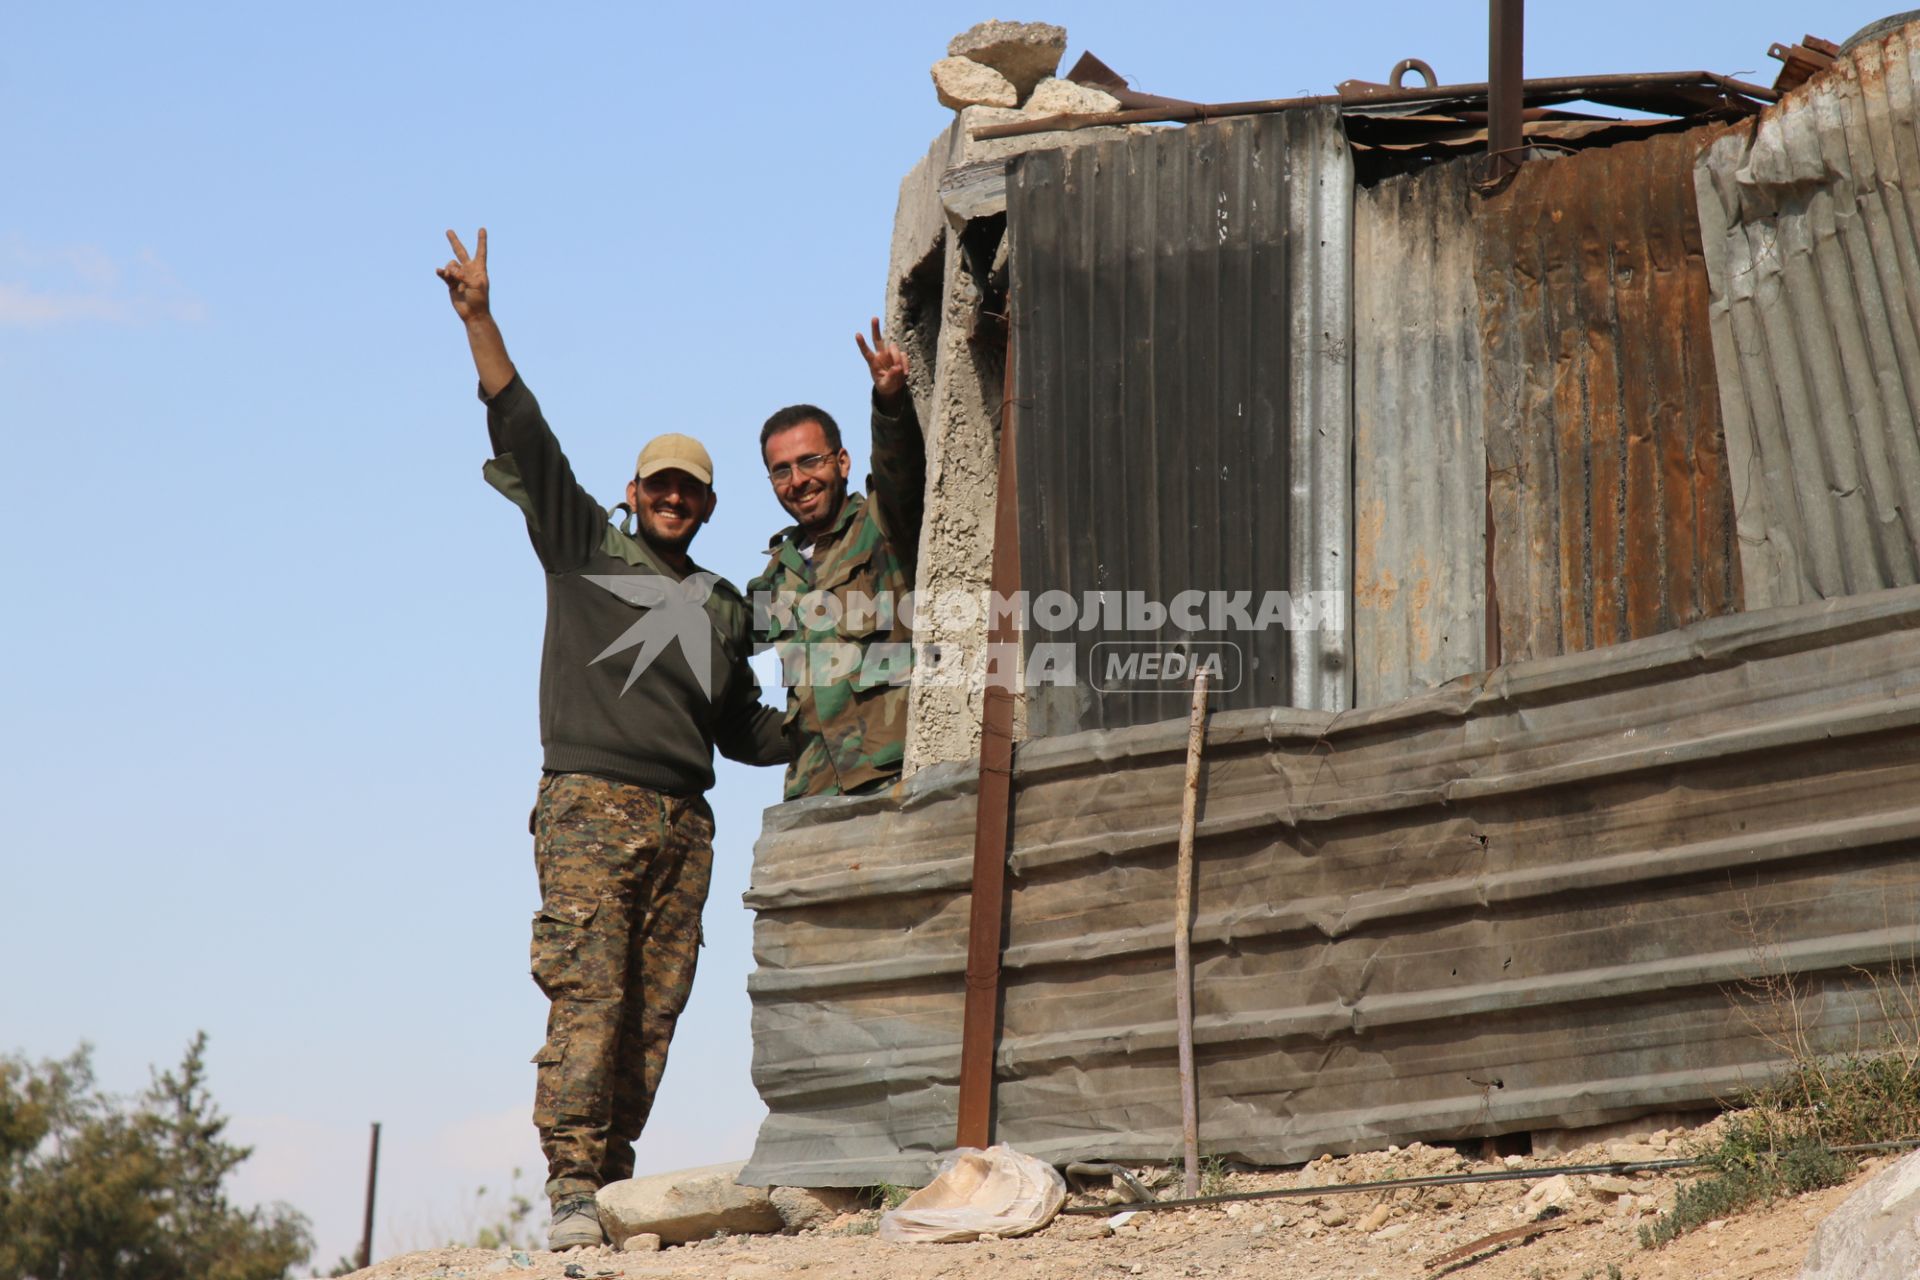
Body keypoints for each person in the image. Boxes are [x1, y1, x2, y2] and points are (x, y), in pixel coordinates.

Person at [436, 228, 789, 1250]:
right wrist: (479, 320)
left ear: (709, 505)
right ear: (636, 493)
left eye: (691, 490)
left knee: (654, 1009)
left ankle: (616, 1175)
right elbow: (526, 428)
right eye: (659, 485)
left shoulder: (723, 604)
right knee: (591, 991)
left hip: (687, 820)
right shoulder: (586, 542)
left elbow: (742, 728)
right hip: (592, 802)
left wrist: (830, 736)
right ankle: (572, 1184)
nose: (673, 498)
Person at [749, 320, 927, 800]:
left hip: (895, 778)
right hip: (813, 795)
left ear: (842, 463)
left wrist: (889, 402)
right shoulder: (773, 577)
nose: (798, 480)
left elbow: (901, 472)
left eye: (811, 461)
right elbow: (724, 676)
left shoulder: (880, 525)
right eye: (781, 470)